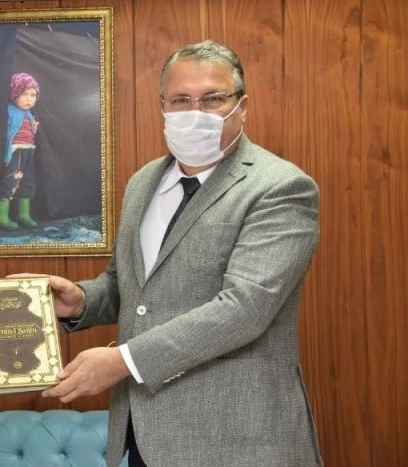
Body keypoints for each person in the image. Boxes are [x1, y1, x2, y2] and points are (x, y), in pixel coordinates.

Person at [28, 40, 322, 466]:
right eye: (180, 100)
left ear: (242, 107)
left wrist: (123, 361)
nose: (194, 112)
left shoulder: (280, 188)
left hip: (237, 439)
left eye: (212, 99)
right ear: (163, 106)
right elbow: (130, 287)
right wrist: (81, 301)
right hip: (144, 435)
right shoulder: (143, 182)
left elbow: (245, 309)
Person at [0, 72, 41, 230]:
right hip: (15, 152)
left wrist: (34, 126)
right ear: (14, 93)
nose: (29, 99)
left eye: (33, 95)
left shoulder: (29, 113)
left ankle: (23, 215)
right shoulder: (8, 110)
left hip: (29, 151)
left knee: (28, 182)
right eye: (24, 94)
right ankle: (1, 217)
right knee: (10, 181)